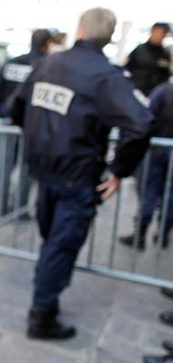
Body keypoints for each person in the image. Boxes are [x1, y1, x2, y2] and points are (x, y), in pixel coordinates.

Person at [10, 7, 152, 340]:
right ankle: (42, 315)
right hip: (74, 176)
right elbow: (141, 123)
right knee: (59, 246)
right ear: (109, 37)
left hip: (47, 172)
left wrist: (38, 138)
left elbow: (16, 107)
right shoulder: (105, 75)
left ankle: (45, 300)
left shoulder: (48, 63)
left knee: (54, 243)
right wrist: (119, 170)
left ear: (80, 30)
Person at [0, 29, 52, 218]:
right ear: (47, 44)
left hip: (9, 125)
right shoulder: (46, 66)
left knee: (5, 167)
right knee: (26, 170)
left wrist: (5, 115)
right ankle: (19, 209)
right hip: (30, 128)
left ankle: (2, 208)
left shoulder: (13, 62)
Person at [119, 82, 173, 250]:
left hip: (156, 150)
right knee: (170, 194)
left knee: (148, 192)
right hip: (162, 149)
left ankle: (140, 235)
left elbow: (145, 117)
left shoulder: (164, 91)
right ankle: (163, 234)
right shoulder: (163, 91)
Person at [125, 22, 171, 97]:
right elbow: (127, 70)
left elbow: (166, 76)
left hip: (155, 95)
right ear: (153, 30)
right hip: (136, 92)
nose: (162, 36)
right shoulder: (139, 50)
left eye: (164, 33)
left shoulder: (165, 54)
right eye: (161, 32)